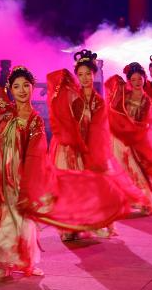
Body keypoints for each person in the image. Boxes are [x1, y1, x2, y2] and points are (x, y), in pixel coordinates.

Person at [0, 65, 121, 279]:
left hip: (20, 176)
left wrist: (28, 181)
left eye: (26, 85)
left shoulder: (35, 120)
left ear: (32, 87)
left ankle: (2, 258)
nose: (22, 90)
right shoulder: (4, 112)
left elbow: (35, 154)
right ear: (10, 89)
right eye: (16, 86)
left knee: (16, 218)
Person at [48, 50, 140, 242]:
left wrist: (92, 151)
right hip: (69, 149)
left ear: (94, 74)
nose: (84, 78)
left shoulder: (98, 101)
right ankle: (68, 228)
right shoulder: (73, 96)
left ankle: (83, 224)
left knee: (87, 188)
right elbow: (62, 119)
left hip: (89, 148)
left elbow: (99, 130)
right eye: (80, 74)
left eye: (88, 74)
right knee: (68, 188)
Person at [107, 62, 152, 213]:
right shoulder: (125, 96)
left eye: (140, 79)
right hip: (123, 136)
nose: (137, 82)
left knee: (138, 168)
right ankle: (124, 198)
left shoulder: (146, 100)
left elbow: (145, 121)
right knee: (121, 165)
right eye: (133, 79)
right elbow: (115, 111)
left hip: (137, 137)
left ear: (144, 79)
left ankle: (142, 200)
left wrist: (134, 130)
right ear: (129, 81)